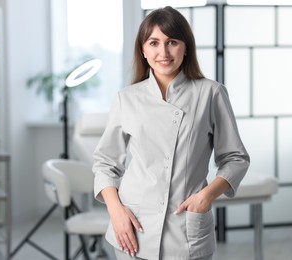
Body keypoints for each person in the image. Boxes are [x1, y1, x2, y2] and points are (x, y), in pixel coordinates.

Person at [93, 6, 250, 260]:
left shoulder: (211, 93)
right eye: (154, 43)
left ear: (185, 47)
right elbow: (105, 163)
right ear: (143, 50)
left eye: (172, 42)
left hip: (186, 230)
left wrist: (206, 197)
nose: (163, 52)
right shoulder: (127, 99)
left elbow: (236, 158)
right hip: (133, 228)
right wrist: (116, 211)